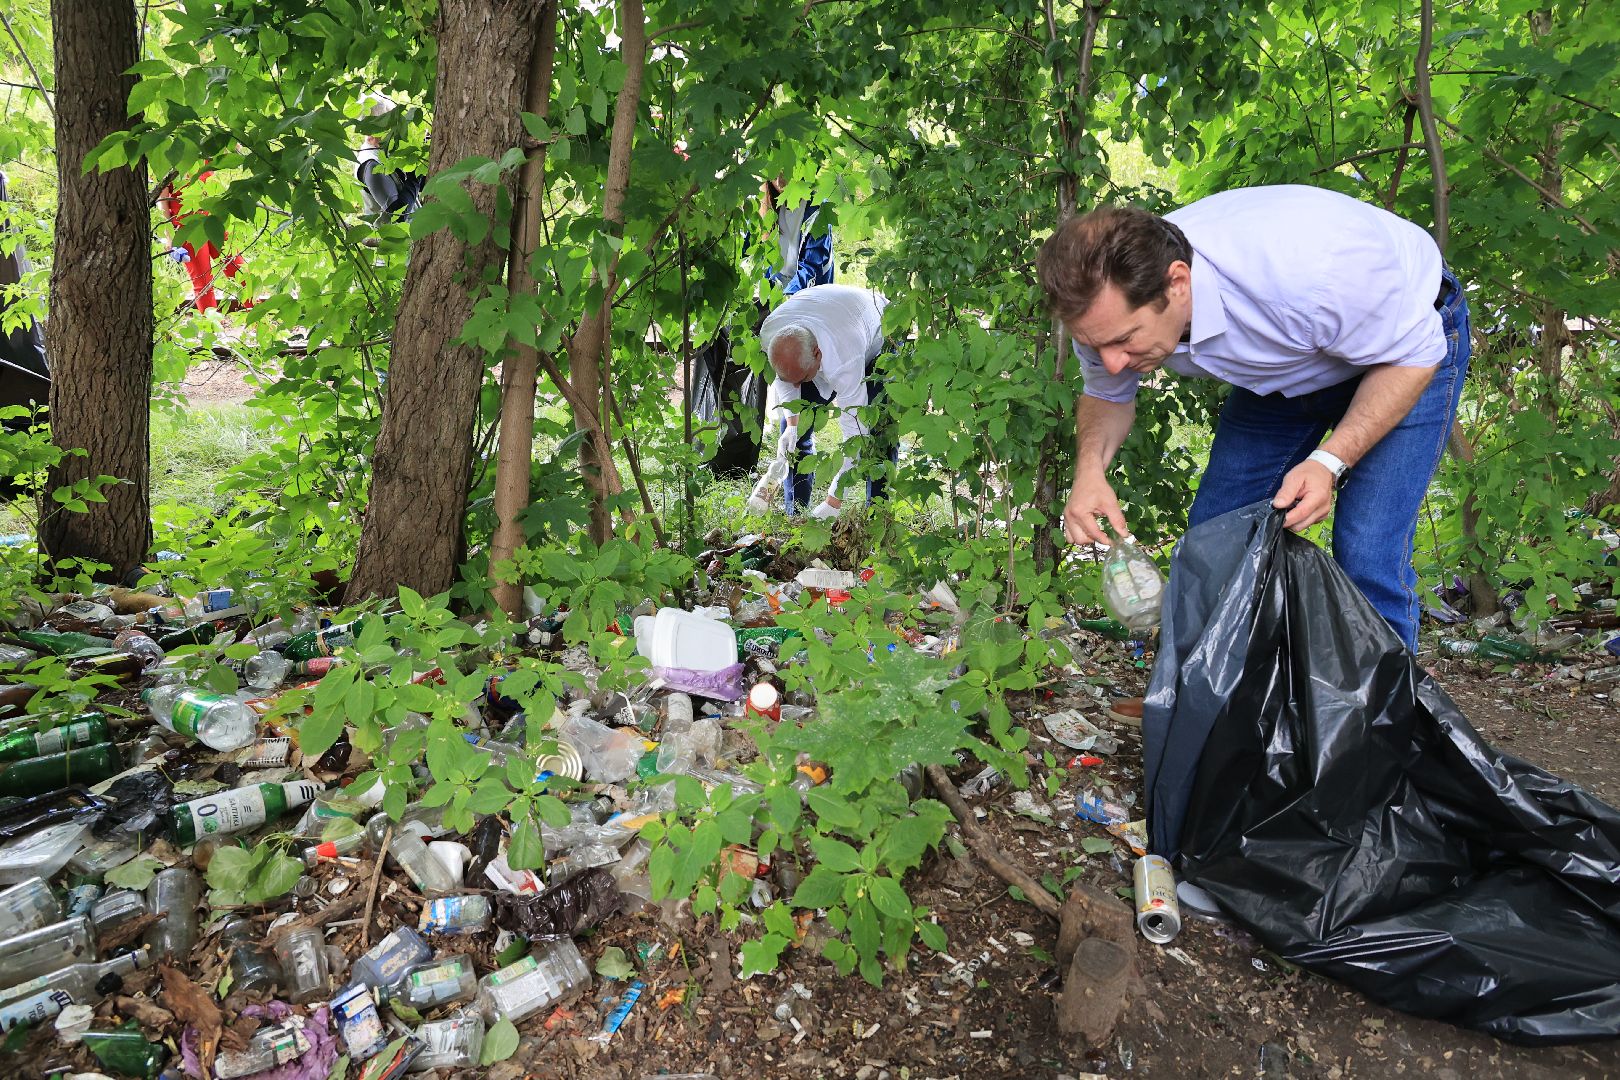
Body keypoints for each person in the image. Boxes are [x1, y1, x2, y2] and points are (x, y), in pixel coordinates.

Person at [1037, 184, 1470, 650]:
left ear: (1177, 284)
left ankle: (1377, 717)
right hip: (1289, 361)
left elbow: (1413, 357)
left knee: (1368, 551)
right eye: (1096, 345)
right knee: (1215, 538)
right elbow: (1107, 393)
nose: (1113, 360)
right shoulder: (1101, 312)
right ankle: (1205, 704)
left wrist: (1329, 461)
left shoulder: (1313, 271)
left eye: (1125, 340)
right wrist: (1088, 472)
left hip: (1402, 354)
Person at [750, 284, 896, 518]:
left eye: (803, 378)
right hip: (826, 310)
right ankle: (795, 515)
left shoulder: (844, 358)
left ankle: (877, 518)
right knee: (795, 432)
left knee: (878, 434)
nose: (797, 386)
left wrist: (834, 499)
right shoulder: (771, 334)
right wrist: (792, 423)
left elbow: (856, 432)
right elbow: (786, 380)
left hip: (878, 328)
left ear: (817, 354)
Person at [759, 175, 834, 297]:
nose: (779, 183)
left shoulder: (817, 207)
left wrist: (787, 299)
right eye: (774, 176)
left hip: (809, 290)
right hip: (777, 284)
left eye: (784, 174)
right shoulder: (767, 205)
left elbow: (812, 267)